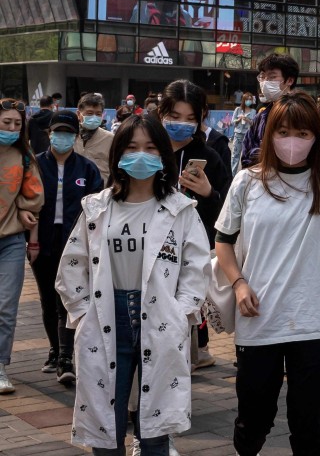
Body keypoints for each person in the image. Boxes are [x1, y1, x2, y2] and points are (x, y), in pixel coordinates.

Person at [214, 93, 320, 456]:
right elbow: (223, 240)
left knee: (307, 420)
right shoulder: (248, 182)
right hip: (259, 317)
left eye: (302, 132)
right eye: (283, 131)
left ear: (316, 136)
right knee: (254, 416)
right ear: (269, 135)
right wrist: (238, 284)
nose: (292, 141)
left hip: (311, 320)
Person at [55, 114, 212, 454]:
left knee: (155, 427)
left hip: (159, 317)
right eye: (131, 148)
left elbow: (196, 268)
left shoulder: (179, 209)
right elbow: (72, 264)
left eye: (151, 148)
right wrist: (83, 313)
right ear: (118, 156)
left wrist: (180, 312)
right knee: (105, 423)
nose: (141, 156)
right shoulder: (97, 208)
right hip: (105, 315)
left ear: (163, 157)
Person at [156, 80, 231, 369]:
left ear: (201, 119)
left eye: (190, 119)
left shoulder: (210, 156)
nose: (181, 125)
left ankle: (182, 372)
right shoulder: (148, 153)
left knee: (181, 319)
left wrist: (208, 193)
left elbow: (226, 210)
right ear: (162, 113)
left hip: (189, 253)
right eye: (174, 117)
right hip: (149, 249)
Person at [33, 111, 104, 384]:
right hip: (43, 242)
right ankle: (54, 350)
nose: (62, 138)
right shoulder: (37, 165)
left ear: (75, 137)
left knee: (69, 299)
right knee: (47, 299)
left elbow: (96, 207)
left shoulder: (86, 169)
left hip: (75, 244)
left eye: (68, 133)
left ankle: (65, 357)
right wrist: (33, 241)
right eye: (57, 132)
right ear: (49, 134)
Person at [0, 98, 43, 394]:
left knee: (5, 307)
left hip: (11, 241)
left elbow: (33, 197)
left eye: (17, 123)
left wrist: (23, 211)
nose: (12, 128)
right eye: (6, 123)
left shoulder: (24, 156)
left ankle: (0, 365)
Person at [240, 52, 299, 167]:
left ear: (290, 81)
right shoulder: (261, 117)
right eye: (263, 77)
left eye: (272, 77)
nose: (265, 82)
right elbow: (246, 153)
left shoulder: (303, 114)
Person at [75, 92, 114, 182]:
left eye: (98, 114)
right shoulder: (70, 136)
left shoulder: (110, 139)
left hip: (100, 192)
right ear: (78, 114)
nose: (94, 117)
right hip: (74, 191)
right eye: (89, 113)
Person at [230, 92, 256, 174]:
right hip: (238, 135)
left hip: (248, 135)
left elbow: (254, 123)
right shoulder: (238, 109)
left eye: (250, 99)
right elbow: (232, 122)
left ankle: (246, 175)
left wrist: (247, 119)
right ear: (243, 100)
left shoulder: (253, 111)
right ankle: (232, 175)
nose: (249, 101)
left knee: (247, 156)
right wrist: (238, 119)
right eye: (247, 99)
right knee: (235, 156)